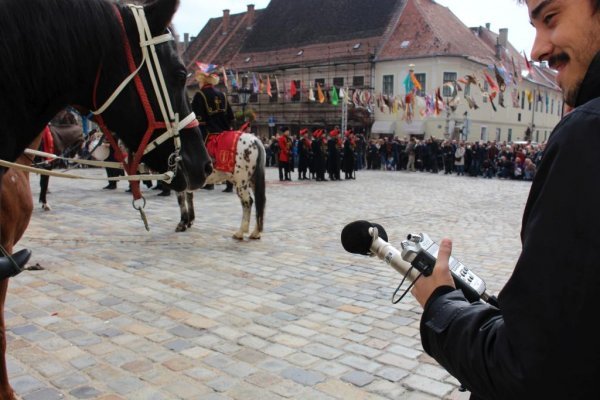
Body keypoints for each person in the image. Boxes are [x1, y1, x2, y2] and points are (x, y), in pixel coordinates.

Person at [410, 0, 600, 398]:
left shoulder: (588, 134)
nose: (537, 50)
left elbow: (527, 368)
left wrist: (440, 304)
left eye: (551, 19)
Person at [191, 67, 234, 192]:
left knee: (206, 158)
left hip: (209, 132)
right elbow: (231, 116)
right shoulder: (223, 95)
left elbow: (197, 117)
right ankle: (229, 184)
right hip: (225, 133)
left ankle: (209, 183)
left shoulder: (200, 95)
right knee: (227, 158)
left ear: (203, 82)